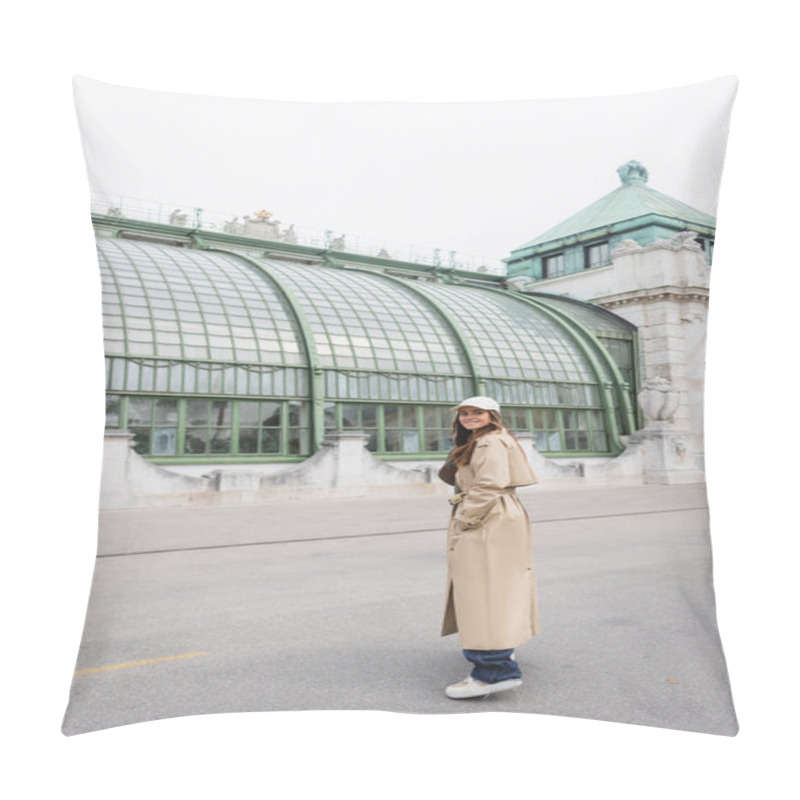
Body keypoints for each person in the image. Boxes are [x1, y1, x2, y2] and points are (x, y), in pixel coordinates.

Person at [439, 396, 541, 699]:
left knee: (483, 592)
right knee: (499, 587)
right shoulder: (490, 439)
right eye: (464, 413)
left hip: (487, 518)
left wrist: (466, 519)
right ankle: (501, 654)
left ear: (491, 415)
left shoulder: (488, 443)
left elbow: (489, 484)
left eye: (477, 413)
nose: (469, 417)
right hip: (499, 516)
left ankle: (493, 671)